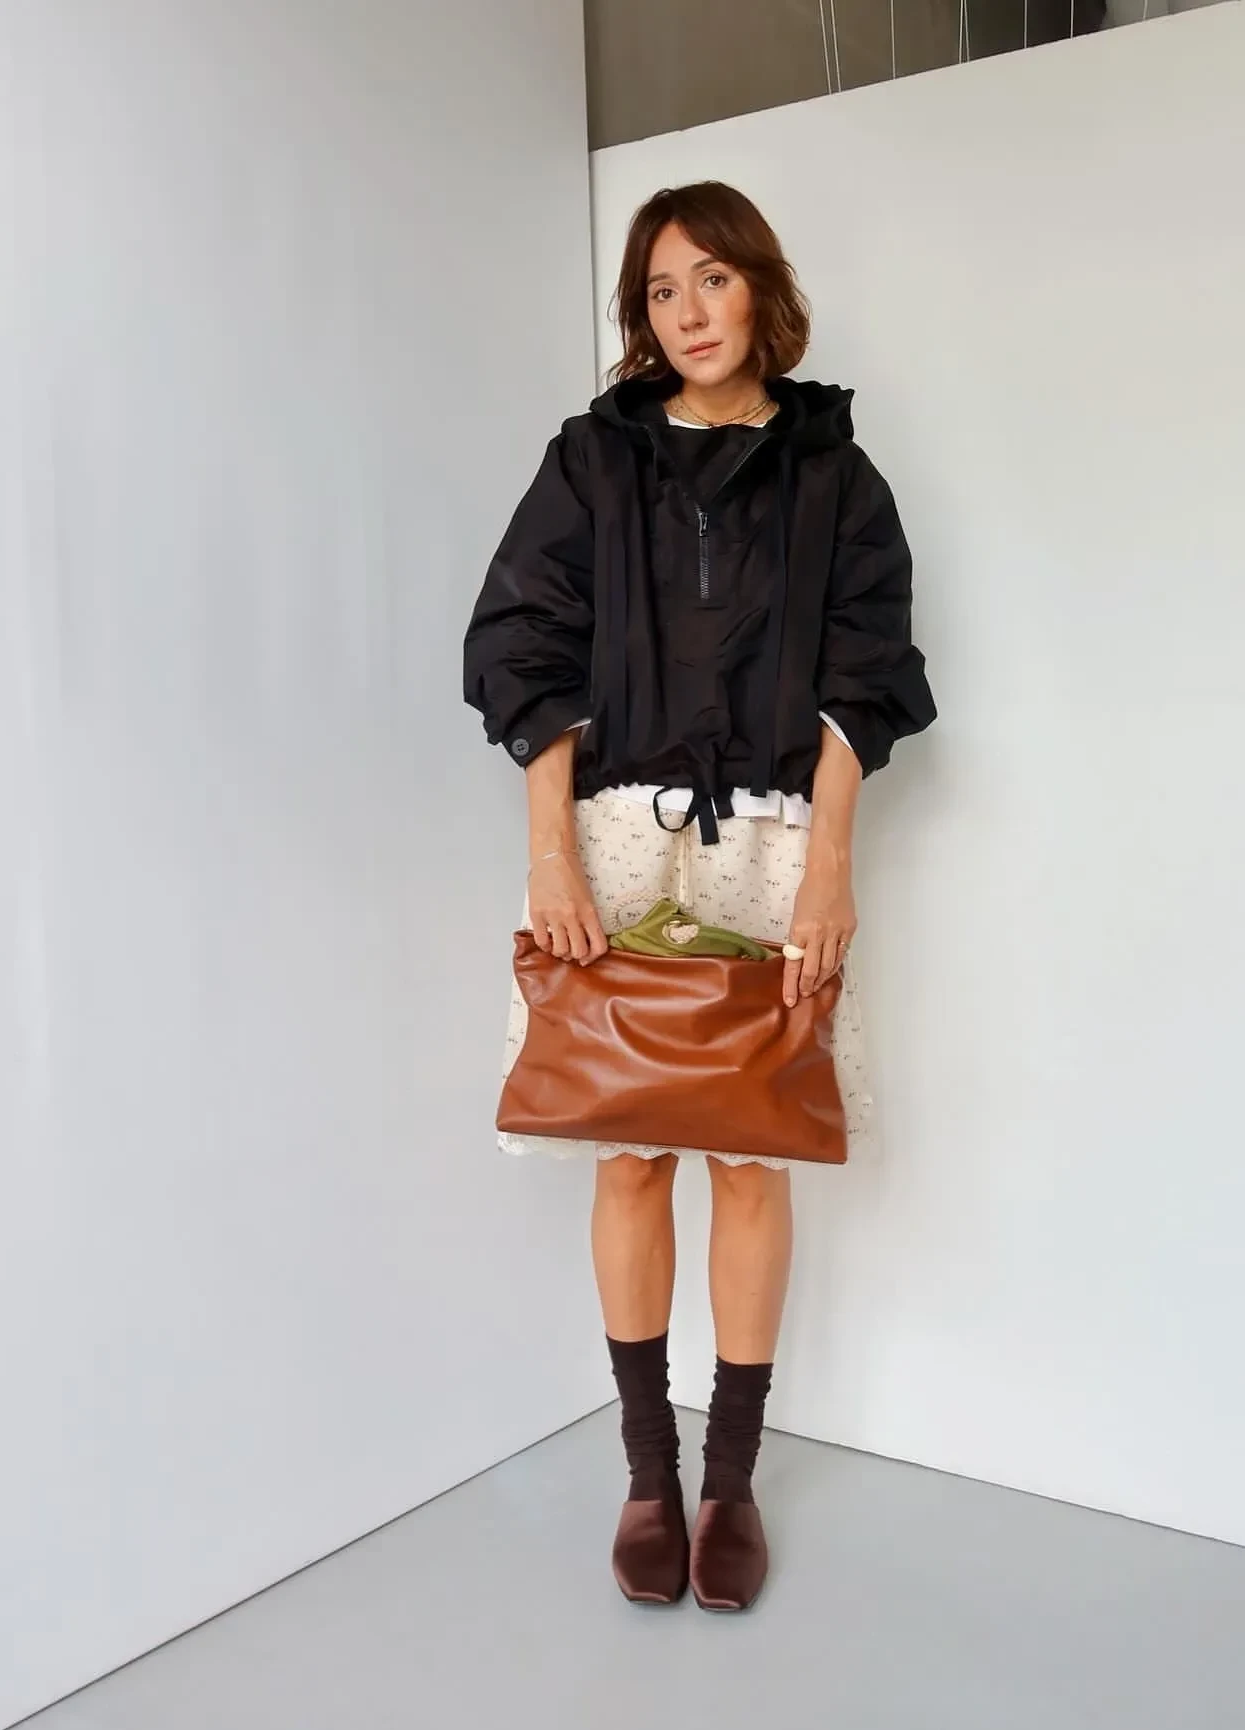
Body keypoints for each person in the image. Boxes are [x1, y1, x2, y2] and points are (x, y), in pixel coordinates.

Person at [463, 181, 934, 1612]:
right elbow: (522, 645)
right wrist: (549, 854)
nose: (689, 312)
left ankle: (729, 1477)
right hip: (610, 839)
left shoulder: (835, 474)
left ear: (761, 291)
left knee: (749, 1154)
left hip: (777, 842)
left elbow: (869, 670)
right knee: (627, 1154)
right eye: (662, 290)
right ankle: (646, 1476)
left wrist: (830, 868)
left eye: (713, 279)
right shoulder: (592, 461)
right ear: (643, 315)